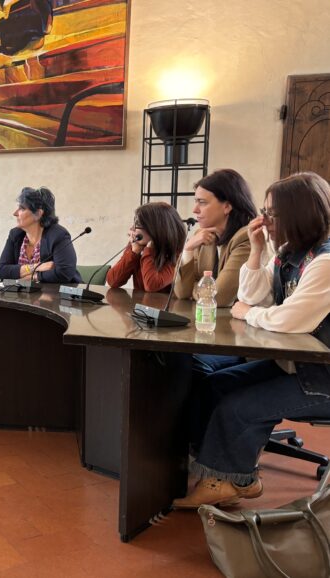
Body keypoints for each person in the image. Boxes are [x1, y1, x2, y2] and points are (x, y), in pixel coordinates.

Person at [173, 172, 330, 509]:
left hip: (322, 378)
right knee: (214, 385)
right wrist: (257, 252)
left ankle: (230, 481)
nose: (264, 220)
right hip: (296, 366)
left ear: (297, 214)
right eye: (264, 211)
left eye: (271, 213)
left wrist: (247, 313)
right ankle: (213, 467)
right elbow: (253, 295)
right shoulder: (289, 253)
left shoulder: (325, 262)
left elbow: (287, 320)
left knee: (238, 408)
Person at [174, 169, 257, 306]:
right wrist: (188, 249)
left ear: (227, 206)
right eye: (196, 201)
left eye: (202, 202)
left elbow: (218, 297)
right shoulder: (202, 236)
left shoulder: (247, 237)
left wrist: (194, 290)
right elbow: (181, 292)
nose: (195, 210)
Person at [0, 186, 82, 283]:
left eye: (22, 208)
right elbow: (2, 271)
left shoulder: (58, 235)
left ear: (38, 213)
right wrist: (36, 267)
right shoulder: (15, 234)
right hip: (24, 292)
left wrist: (32, 277)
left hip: (58, 291)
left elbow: (64, 273)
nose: (15, 213)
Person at [106, 202, 186, 292]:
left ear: (156, 229)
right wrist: (133, 253)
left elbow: (152, 285)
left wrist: (149, 251)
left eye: (138, 224)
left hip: (165, 301)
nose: (132, 229)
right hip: (141, 301)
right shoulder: (137, 246)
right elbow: (113, 281)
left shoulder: (178, 253)